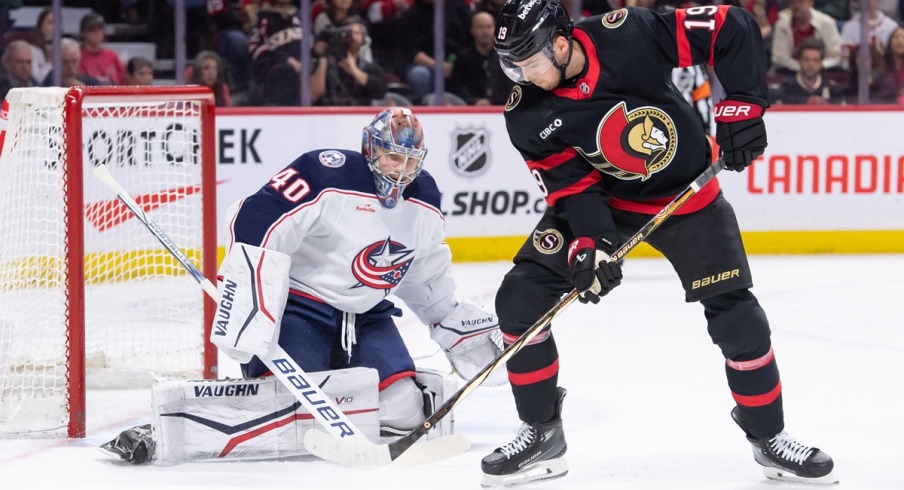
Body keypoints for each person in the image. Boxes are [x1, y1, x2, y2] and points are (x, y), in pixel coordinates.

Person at [485, 1, 837, 487]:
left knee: (739, 321)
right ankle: (542, 433)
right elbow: (574, 189)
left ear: (561, 43)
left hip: (686, 197)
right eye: (511, 65)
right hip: (608, 202)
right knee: (519, 299)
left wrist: (744, 102)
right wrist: (591, 244)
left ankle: (770, 439)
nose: (521, 76)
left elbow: (728, 25)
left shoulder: (626, 33)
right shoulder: (526, 112)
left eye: (529, 61)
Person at [98, 107, 505, 465]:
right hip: (299, 307)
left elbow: (425, 269)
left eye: (410, 161)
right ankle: (170, 424)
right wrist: (249, 294)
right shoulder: (324, 172)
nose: (400, 170)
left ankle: (326, 407)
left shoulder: (425, 198)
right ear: (370, 148)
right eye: (392, 156)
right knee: (288, 404)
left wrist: (449, 318)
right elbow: (254, 218)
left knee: (404, 409)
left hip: (367, 316)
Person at [401, 0, 473, 103]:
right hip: (425, 64)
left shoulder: (457, 8)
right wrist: (438, 66)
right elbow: (410, 50)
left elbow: (469, 39)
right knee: (420, 74)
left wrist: (457, 63)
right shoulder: (412, 14)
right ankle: (428, 107)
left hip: (455, 60)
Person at [311, 17, 387, 106]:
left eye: (357, 33)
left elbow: (381, 92)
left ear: (363, 38)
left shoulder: (369, 68)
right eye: (348, 33)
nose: (353, 37)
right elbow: (313, 94)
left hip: (359, 115)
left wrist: (355, 71)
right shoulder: (326, 63)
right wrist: (323, 57)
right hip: (328, 114)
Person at [247, 0, 307, 105]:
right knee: (285, 70)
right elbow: (255, 50)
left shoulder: (301, 16)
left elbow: (310, 46)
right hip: (274, 72)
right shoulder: (262, 17)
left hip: (303, 69)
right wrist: (285, 59)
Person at [448, 11, 511, 106]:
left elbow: (510, 86)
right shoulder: (463, 58)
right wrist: (475, 101)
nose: (485, 31)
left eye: (489, 27)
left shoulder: (505, 57)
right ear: (472, 30)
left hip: (501, 107)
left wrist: (491, 101)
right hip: (469, 108)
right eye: (480, 27)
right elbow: (457, 86)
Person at [771, 0, 842, 74]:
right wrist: (806, 68)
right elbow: (779, 58)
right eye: (792, 2)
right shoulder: (782, 24)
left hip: (822, 72)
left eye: (800, 2)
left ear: (810, 3)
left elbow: (836, 56)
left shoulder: (826, 23)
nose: (796, 6)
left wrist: (818, 66)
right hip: (789, 73)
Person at [774, 37, 844, 104]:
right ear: (799, 61)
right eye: (806, 60)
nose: (810, 65)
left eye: (815, 60)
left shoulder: (833, 88)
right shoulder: (786, 87)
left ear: (821, 62)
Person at [839, 0, 898, 70]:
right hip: (858, 75)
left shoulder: (891, 26)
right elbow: (845, 61)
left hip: (888, 74)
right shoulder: (849, 27)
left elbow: (897, 59)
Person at [78, 13, 127, 85]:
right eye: (91, 29)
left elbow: (123, 80)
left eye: (99, 29)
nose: (96, 32)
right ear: (83, 33)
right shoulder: (77, 56)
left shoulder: (112, 56)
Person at [27, 8, 54, 85]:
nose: (55, 26)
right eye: (51, 23)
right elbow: (39, 79)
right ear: (41, 26)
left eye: (58, 22)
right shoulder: (32, 50)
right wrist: (49, 58)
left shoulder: (67, 48)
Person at [881, 27, 904, 102]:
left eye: (903, 37)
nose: (899, 41)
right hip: (885, 103)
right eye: (896, 37)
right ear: (890, 41)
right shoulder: (881, 62)